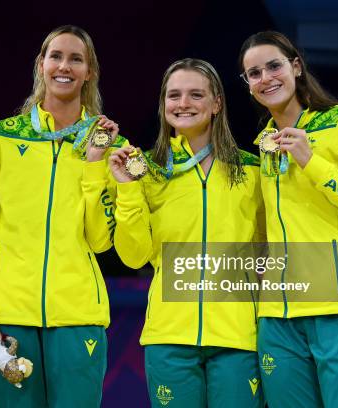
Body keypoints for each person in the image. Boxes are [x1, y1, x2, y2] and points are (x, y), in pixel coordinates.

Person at [0, 25, 126, 408]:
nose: (64, 66)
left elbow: (101, 240)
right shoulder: (1, 137)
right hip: (9, 313)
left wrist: (93, 165)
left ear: (90, 72)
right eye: (56, 56)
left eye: (76, 59)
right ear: (41, 64)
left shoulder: (108, 143)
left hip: (78, 314)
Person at [238, 31, 338, 408]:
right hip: (278, 319)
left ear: (296, 66)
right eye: (254, 73)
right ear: (247, 85)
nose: (266, 78)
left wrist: (313, 162)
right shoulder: (264, 142)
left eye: (274, 66)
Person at [110, 58, 265, 408]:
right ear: (163, 103)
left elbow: (269, 249)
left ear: (216, 103)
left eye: (196, 94)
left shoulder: (253, 170)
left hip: (238, 338)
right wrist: (128, 189)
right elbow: (134, 255)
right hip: (170, 338)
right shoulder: (146, 170)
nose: (183, 104)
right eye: (174, 95)